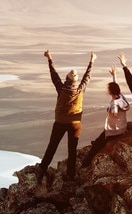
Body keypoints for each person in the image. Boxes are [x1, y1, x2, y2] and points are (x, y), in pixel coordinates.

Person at [37, 49, 96, 182]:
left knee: (52, 146)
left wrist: (49, 58)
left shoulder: (61, 88)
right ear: (76, 80)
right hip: (75, 124)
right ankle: (70, 175)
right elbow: (87, 76)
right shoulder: (80, 89)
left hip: (60, 122)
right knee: (72, 150)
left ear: (67, 79)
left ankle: (42, 169)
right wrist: (92, 61)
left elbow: (54, 74)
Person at [81, 71, 130, 168]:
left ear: (110, 92)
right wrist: (114, 75)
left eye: (108, 89)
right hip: (122, 127)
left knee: (96, 145)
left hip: (114, 131)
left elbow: (114, 109)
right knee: (99, 139)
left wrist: (115, 114)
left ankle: (85, 163)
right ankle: (98, 141)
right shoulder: (122, 97)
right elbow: (116, 88)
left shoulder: (114, 103)